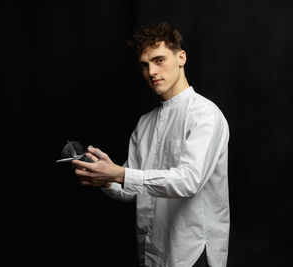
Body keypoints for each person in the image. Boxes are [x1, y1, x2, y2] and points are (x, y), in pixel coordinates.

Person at [72, 22, 230, 267]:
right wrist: (104, 176)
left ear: (181, 58)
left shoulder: (205, 114)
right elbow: (130, 189)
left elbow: (189, 181)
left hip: (192, 252)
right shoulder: (144, 124)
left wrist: (121, 174)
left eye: (159, 60)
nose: (152, 71)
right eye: (144, 65)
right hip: (152, 250)